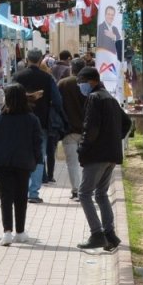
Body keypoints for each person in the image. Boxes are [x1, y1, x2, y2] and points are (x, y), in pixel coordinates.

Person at [75, 67, 130, 253]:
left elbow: (90, 128)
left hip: (96, 155)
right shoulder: (110, 98)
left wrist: (82, 149)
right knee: (101, 194)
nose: (79, 86)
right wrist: (114, 140)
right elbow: (127, 123)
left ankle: (97, 234)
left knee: (84, 194)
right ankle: (110, 234)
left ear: (91, 81)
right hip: (111, 154)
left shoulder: (94, 98)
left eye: (80, 82)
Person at [0, 84, 43, 246]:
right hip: (24, 163)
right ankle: (21, 231)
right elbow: (37, 142)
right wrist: (37, 159)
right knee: (21, 196)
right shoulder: (32, 119)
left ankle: (7, 232)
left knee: (5, 197)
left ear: (7, 98)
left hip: (1, 163)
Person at [13, 48, 65, 201]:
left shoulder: (17, 76)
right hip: (41, 121)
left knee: (21, 155)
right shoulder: (47, 78)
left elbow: (9, 96)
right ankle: (33, 192)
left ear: (27, 59)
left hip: (19, 121)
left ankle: (21, 189)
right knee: (39, 155)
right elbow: (57, 100)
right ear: (41, 59)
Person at [58, 58, 89, 200]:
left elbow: (57, 104)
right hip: (87, 129)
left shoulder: (63, 84)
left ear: (71, 68)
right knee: (87, 161)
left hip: (69, 129)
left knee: (72, 162)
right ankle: (86, 189)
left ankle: (76, 190)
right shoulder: (90, 84)